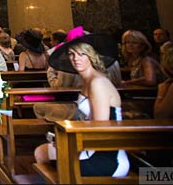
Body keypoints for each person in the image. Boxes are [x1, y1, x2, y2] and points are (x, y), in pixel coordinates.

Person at [35, 40, 130, 178]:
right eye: (72, 54)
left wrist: (70, 142)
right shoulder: (88, 81)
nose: (76, 59)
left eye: (82, 54)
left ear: (91, 56)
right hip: (90, 146)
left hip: (106, 155)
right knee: (41, 152)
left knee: (45, 155)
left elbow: (100, 127)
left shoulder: (98, 83)